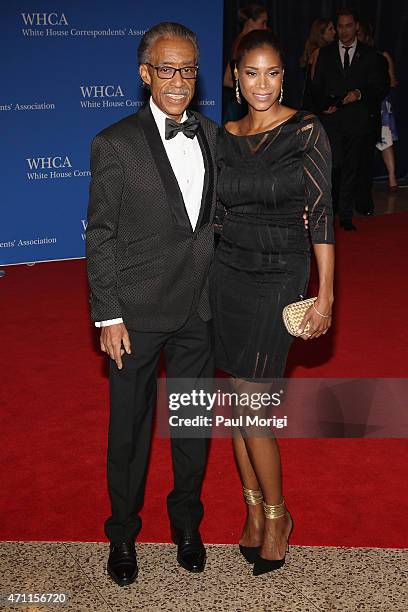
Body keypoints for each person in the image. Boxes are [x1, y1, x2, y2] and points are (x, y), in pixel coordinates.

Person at [86, 22, 218, 586]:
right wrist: (108, 314)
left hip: (200, 310)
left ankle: (186, 523)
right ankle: (123, 533)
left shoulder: (214, 135)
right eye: (166, 68)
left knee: (191, 425)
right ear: (145, 74)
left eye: (187, 68)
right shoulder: (114, 143)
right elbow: (101, 235)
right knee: (130, 433)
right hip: (135, 316)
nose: (178, 80)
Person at [210, 29, 335, 576]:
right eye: (252, 73)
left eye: (274, 73)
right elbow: (211, 213)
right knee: (236, 396)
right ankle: (254, 510)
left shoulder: (306, 129)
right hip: (227, 274)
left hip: (281, 272)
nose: (263, 84)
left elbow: (324, 212)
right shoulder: (223, 136)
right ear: (235, 78)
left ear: (285, 74)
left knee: (251, 394)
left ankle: (280, 516)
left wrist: (325, 294)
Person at [312, 8, 389, 229]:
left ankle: (345, 216)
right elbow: (316, 87)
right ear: (336, 29)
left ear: (356, 26)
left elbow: (380, 86)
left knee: (351, 169)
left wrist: (360, 93)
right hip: (332, 120)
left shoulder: (370, 55)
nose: (344, 31)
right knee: (334, 166)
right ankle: (331, 207)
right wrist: (322, 107)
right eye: (341, 26)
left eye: (349, 25)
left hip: (358, 120)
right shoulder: (325, 54)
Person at [357, 24, 400, 191]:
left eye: (360, 34)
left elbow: (392, 81)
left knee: (385, 140)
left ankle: (392, 178)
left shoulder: (381, 56)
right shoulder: (353, 57)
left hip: (380, 104)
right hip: (360, 104)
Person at [223, 3, 268, 122]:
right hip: (241, 107)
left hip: (238, 104)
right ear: (250, 21)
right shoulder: (246, 45)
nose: (265, 27)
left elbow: (227, 80)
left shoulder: (238, 41)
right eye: (262, 22)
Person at [300, 18, 336, 110]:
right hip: (315, 106)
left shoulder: (316, 51)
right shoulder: (318, 52)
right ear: (321, 33)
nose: (335, 32)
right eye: (330, 29)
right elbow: (315, 83)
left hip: (312, 103)